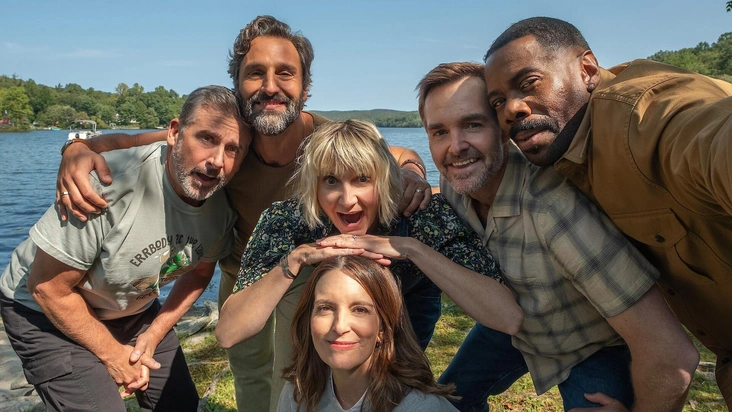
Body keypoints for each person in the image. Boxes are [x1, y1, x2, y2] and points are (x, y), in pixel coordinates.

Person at [53, 16, 432, 412]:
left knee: (293, 366)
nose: (270, 86)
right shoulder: (226, 138)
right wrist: (76, 149)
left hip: (305, 265)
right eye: (255, 73)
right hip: (240, 266)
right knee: (247, 365)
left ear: (305, 88)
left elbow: (399, 155)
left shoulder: (325, 139)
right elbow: (123, 142)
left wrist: (412, 173)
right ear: (238, 85)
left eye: (285, 73)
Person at [417, 62, 699, 411]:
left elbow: (671, 352)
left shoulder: (553, 207)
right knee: (446, 402)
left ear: (503, 128)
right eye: (439, 132)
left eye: (473, 124)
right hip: (518, 331)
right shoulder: (454, 183)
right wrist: (411, 179)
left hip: (591, 345)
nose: (456, 147)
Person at [482, 16, 732, 406]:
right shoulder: (565, 150)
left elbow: (708, 134)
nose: (511, 108)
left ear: (587, 70)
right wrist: (412, 176)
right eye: (497, 101)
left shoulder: (645, 118)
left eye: (528, 83)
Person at [216, 119, 523, 406]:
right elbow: (229, 332)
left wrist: (411, 249)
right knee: (308, 383)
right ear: (314, 186)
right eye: (331, 181)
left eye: (362, 179)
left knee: (393, 386)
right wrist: (294, 260)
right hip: (324, 304)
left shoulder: (422, 216)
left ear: (385, 180)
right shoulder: (287, 220)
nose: (347, 200)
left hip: (409, 297)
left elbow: (506, 317)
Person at [0, 85, 249, 411]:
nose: (216, 161)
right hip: (41, 309)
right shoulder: (106, 185)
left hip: (130, 308)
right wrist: (113, 355)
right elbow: (47, 288)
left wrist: (155, 333)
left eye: (233, 149)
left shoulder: (221, 209)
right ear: (174, 133)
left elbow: (200, 273)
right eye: (206, 138)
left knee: (179, 403)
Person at [277, 255, 458, 412]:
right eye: (325, 308)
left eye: (360, 310)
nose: (339, 326)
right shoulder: (297, 393)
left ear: (384, 328)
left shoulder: (421, 407)